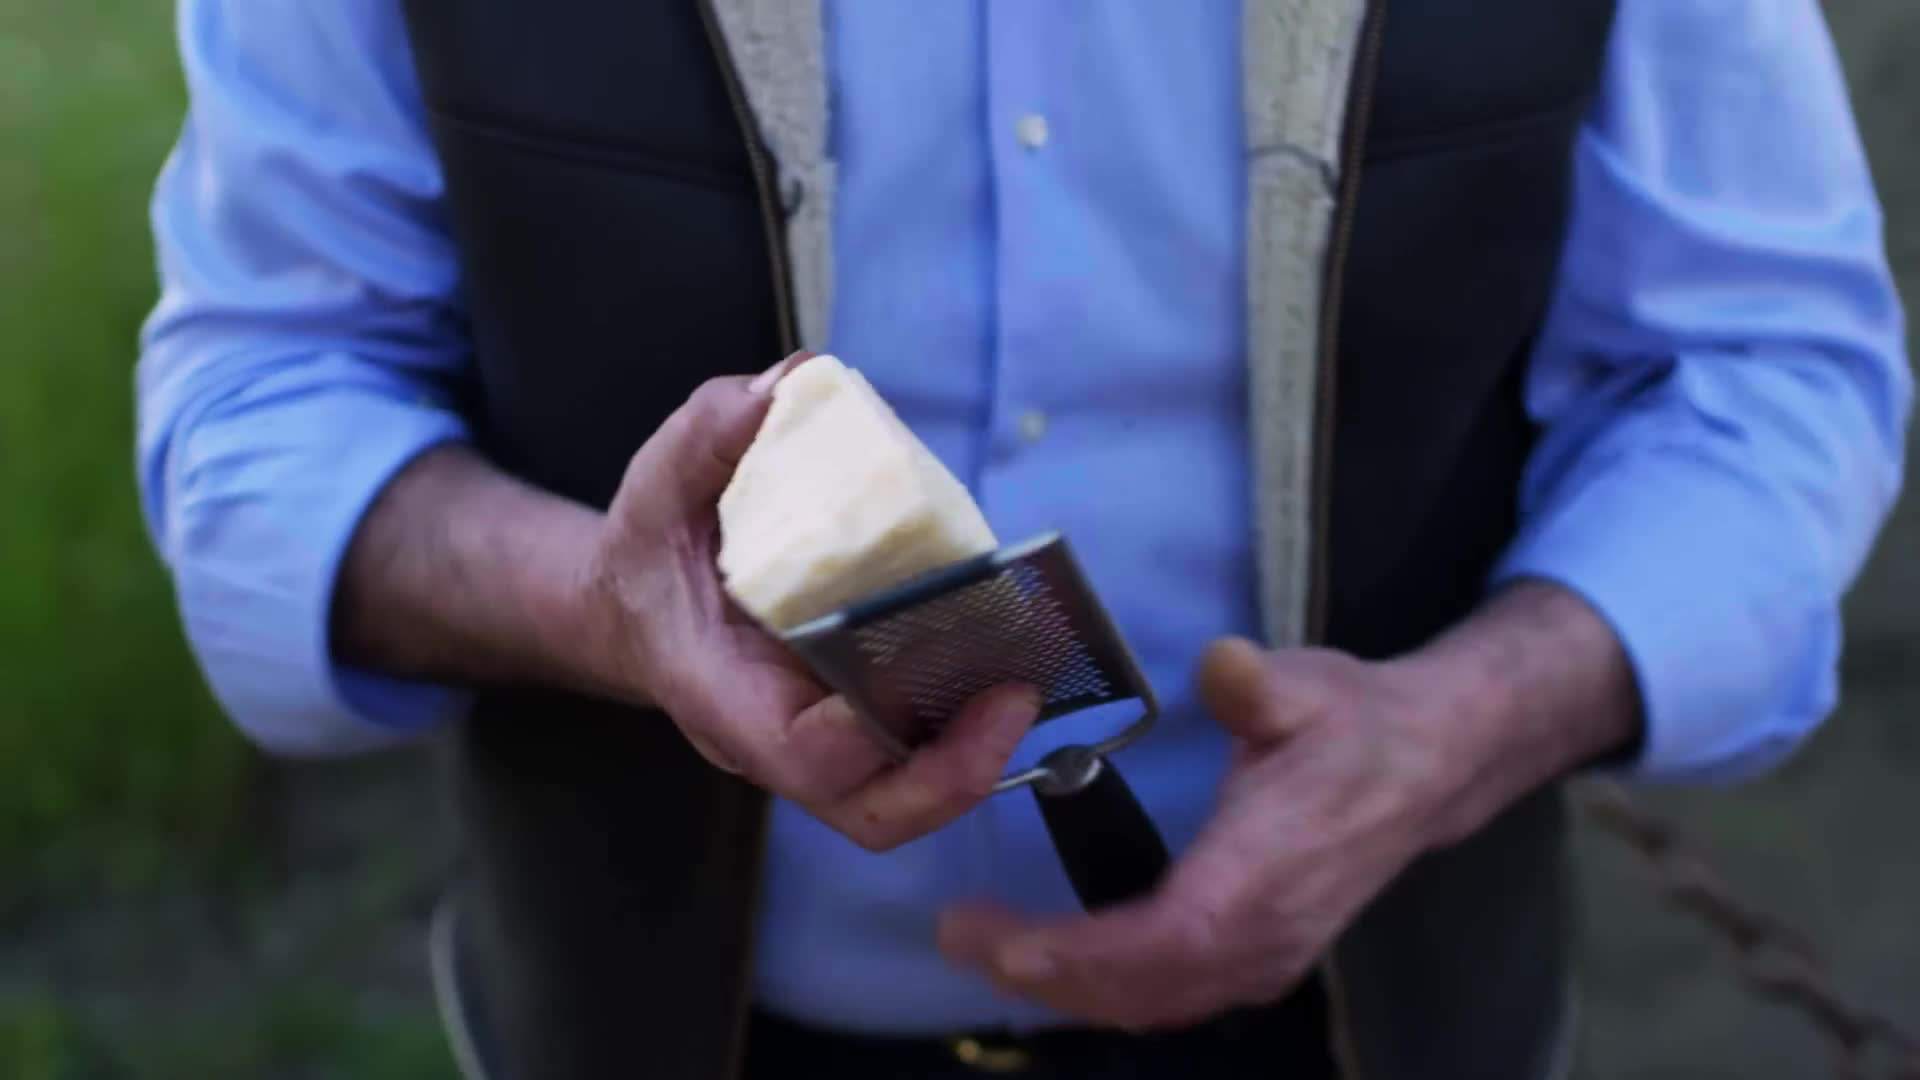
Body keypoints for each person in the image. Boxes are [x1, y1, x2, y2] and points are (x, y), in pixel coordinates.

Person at [135, 2, 1909, 1078]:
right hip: (662, 1033)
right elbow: (271, 391)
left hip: (1377, 1022)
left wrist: (1467, 727)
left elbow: (1759, 362)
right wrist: (593, 606)